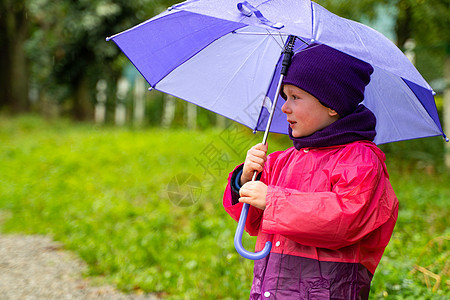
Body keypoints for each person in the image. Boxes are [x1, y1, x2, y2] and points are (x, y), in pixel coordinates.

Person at [223, 43, 398, 299]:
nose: (285, 107)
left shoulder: (359, 159)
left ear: (332, 105)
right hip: (271, 288)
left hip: (327, 289)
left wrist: (271, 200)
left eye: (295, 97)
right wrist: (246, 178)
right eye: (284, 97)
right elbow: (251, 223)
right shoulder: (280, 161)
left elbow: (346, 218)